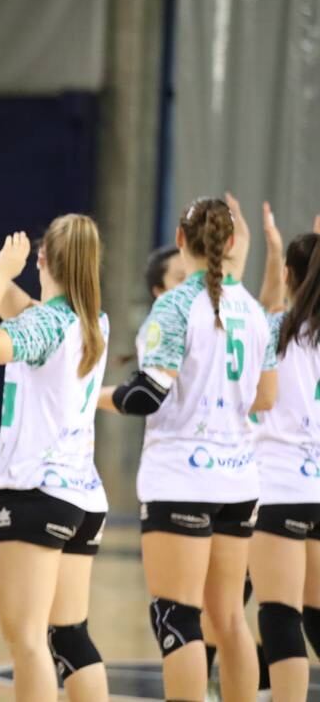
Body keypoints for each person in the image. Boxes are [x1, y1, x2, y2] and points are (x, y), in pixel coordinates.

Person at [103, 196, 277, 702]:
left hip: (181, 477)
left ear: (181, 243)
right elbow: (266, 398)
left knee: (176, 613)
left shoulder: (175, 305)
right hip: (239, 479)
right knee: (228, 618)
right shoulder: (252, 311)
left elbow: (144, 395)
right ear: (229, 244)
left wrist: (89, 397)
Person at [0, 215, 111, 702]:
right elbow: (32, 310)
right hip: (83, 497)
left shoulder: (45, 325)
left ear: (42, 258)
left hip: (37, 493)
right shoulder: (93, 320)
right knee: (69, 635)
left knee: (28, 640)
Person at [248, 210, 320, 702]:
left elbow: (267, 304)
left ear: (292, 276)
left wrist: (272, 252)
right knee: (314, 613)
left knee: (279, 614)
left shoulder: (276, 329)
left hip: (280, 486)